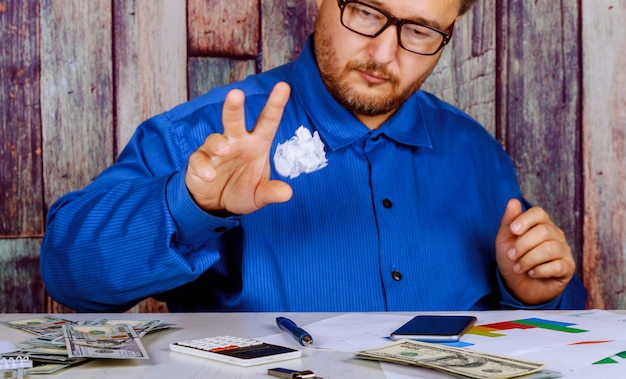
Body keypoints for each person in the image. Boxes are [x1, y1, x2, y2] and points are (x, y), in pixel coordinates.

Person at [40, 0, 587, 312]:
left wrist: (533, 298)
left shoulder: (479, 155)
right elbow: (66, 273)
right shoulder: (205, 134)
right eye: (368, 12)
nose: (383, 52)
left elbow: (560, 333)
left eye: (419, 30)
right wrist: (193, 203)